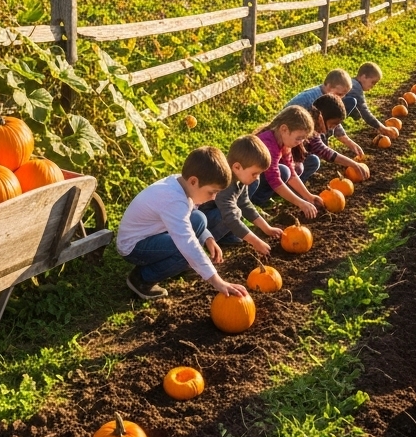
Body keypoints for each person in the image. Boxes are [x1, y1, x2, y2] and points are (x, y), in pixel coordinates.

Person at [118, 146, 249, 301]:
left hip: (151, 234)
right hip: (134, 247)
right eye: (212, 192)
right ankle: (142, 278)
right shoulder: (173, 200)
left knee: (199, 219)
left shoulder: (180, 183)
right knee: (186, 251)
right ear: (194, 181)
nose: (214, 198)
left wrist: (208, 237)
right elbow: (186, 242)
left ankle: (173, 264)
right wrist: (217, 282)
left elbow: (190, 215)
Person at [204, 134, 283, 256]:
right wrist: (256, 242)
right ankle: (208, 240)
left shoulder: (239, 178)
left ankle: (226, 236)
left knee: (238, 209)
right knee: (234, 213)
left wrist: (267, 229)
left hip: (217, 212)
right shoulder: (225, 184)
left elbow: (245, 204)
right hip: (203, 221)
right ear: (237, 167)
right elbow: (230, 217)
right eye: (254, 173)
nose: (257, 177)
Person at [249, 105, 322, 215]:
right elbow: (274, 179)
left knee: (287, 170)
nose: (300, 142)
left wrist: (308, 196)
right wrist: (300, 203)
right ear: (284, 129)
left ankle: (263, 198)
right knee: (283, 171)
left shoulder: (284, 144)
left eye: (303, 139)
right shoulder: (268, 144)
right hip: (248, 185)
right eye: (298, 138)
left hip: (260, 179)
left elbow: (292, 173)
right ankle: (255, 201)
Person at [287, 69, 366, 154]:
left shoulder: (328, 96)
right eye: (339, 94)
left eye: (344, 95)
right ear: (328, 86)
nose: (341, 98)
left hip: (312, 128)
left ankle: (323, 139)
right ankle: (316, 146)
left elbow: (333, 119)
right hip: (293, 133)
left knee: (350, 101)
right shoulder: (311, 100)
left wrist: (347, 141)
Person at [342, 62, 391, 138]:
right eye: (373, 82)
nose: (373, 86)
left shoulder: (352, 83)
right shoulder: (356, 88)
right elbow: (364, 111)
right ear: (363, 77)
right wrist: (381, 127)